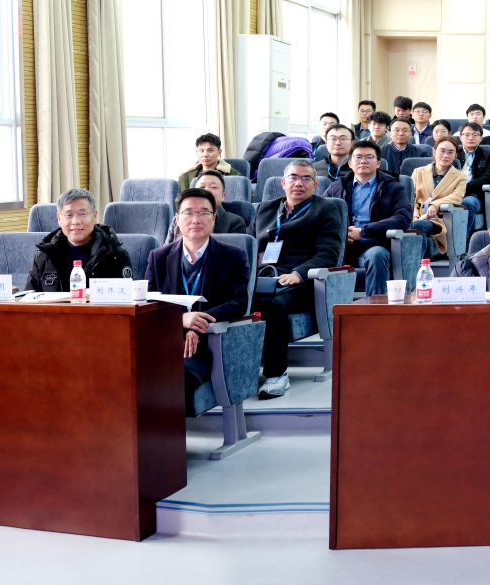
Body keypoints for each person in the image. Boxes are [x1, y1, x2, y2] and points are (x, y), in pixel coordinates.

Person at [151, 189, 256, 404]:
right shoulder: (159, 257)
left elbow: (239, 303)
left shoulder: (233, 256)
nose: (195, 219)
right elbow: (151, 302)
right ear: (177, 218)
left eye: (203, 213)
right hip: (166, 341)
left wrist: (197, 324)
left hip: (212, 343)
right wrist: (181, 321)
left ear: (214, 218)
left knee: (175, 374)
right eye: (189, 212)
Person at [252, 159, 345, 397]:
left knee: (271, 304)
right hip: (262, 277)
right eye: (293, 177)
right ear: (283, 183)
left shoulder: (325, 209)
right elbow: (249, 248)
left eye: (306, 178)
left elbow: (328, 253)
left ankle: (277, 374)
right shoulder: (265, 209)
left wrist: (298, 274)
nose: (299, 183)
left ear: (315, 184)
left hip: (302, 281)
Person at [323, 140, 411, 294]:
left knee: (377, 255)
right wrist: (344, 233)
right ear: (350, 163)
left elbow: (402, 219)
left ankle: (376, 306)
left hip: (375, 242)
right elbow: (322, 215)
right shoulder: (337, 186)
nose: (363, 161)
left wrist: (364, 231)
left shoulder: (393, 187)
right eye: (358, 157)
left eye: (369, 157)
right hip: (343, 244)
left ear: (378, 163)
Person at [29, 188, 131, 289]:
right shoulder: (44, 255)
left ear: (95, 216)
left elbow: (126, 296)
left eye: (83, 214)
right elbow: (29, 296)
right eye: (69, 215)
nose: (76, 221)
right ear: (59, 219)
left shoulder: (115, 255)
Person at [405, 136, 474, 253]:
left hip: (439, 219)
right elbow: (411, 197)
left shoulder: (460, 176)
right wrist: (415, 216)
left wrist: (435, 205)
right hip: (416, 215)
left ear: (455, 156)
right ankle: (429, 251)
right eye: (442, 151)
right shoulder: (418, 172)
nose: (445, 155)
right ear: (434, 152)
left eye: (450, 152)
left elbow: (457, 197)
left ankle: (417, 260)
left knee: (417, 226)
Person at [191, 170, 250, 235]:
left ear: (222, 196)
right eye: (201, 187)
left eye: (213, 187)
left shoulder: (235, 223)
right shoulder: (185, 218)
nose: (207, 190)